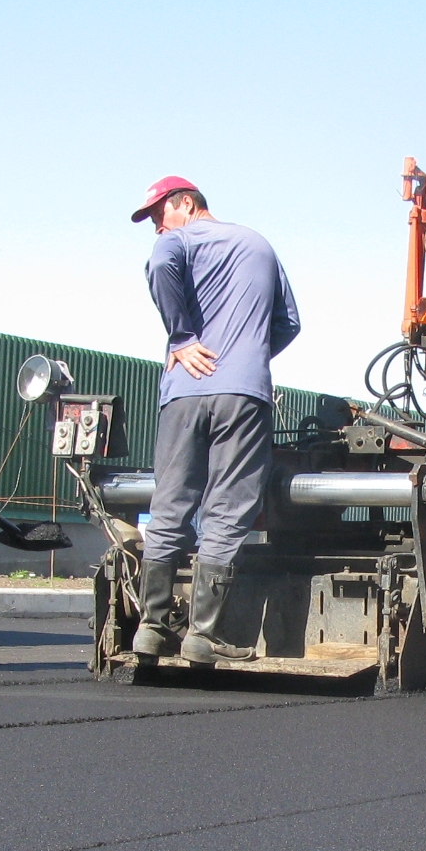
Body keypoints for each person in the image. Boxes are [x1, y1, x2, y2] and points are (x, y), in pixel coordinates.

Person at [130, 177, 299, 664]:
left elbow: (161, 260)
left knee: (170, 504)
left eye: (160, 214)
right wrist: (246, 357)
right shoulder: (258, 244)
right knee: (226, 510)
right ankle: (202, 634)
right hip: (243, 395)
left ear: (187, 203)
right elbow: (289, 322)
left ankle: (152, 626)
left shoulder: (176, 241)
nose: (157, 227)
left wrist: (181, 338)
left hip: (184, 391)